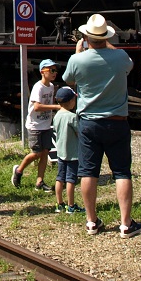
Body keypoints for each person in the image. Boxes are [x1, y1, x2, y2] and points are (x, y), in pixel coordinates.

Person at [61, 14, 140, 238]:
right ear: (106, 36)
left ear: (86, 37)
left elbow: (68, 80)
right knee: (123, 172)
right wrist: (107, 44)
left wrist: (79, 53)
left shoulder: (78, 60)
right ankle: (126, 224)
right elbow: (128, 66)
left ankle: (91, 221)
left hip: (89, 123)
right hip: (117, 122)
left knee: (88, 172)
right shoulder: (121, 56)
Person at [11, 59, 60, 193]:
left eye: (55, 70)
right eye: (51, 70)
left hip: (45, 124)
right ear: (42, 72)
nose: (54, 73)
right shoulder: (38, 87)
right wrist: (55, 107)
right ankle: (19, 170)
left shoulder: (50, 86)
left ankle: (40, 181)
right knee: (36, 153)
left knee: (45, 152)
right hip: (35, 125)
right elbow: (37, 106)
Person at [51, 86, 82, 214]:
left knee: (60, 178)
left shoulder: (57, 116)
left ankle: (59, 204)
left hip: (61, 153)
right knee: (71, 180)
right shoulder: (73, 117)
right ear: (70, 101)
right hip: (73, 154)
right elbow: (79, 133)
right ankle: (71, 205)